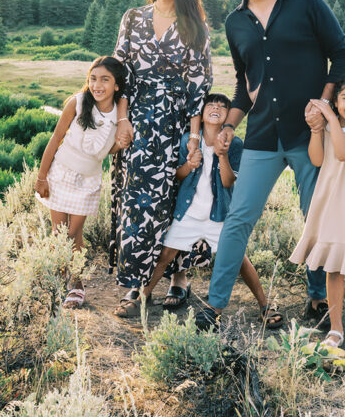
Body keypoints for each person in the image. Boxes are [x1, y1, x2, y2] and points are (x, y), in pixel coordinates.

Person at [199, 0, 345, 330]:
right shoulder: (235, 22)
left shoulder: (307, 5)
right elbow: (243, 83)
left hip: (310, 137)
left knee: (314, 216)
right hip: (263, 137)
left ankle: (318, 299)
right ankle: (215, 307)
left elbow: (342, 54)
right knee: (237, 220)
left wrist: (322, 105)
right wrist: (230, 125)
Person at [115, 93, 285, 328]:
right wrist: (189, 165)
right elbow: (177, 176)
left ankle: (265, 305)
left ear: (228, 117)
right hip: (190, 213)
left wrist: (222, 155)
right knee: (165, 256)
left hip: (219, 215)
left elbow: (228, 182)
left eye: (222, 106)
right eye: (211, 105)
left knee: (240, 259)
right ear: (202, 114)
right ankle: (142, 299)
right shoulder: (188, 140)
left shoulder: (234, 145)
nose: (216, 108)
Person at [110, 0, 213, 311]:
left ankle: (178, 277)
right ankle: (136, 282)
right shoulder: (133, 18)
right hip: (138, 123)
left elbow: (199, 87)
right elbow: (120, 73)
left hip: (175, 124)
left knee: (177, 200)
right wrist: (122, 120)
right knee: (139, 205)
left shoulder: (194, 25)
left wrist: (195, 138)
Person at [290, 74, 345, 351]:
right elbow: (318, 159)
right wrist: (317, 130)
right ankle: (336, 328)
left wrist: (329, 115)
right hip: (329, 203)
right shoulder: (328, 127)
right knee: (333, 268)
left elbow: (343, 153)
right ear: (338, 99)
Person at [33, 55, 130, 308]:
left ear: (117, 85)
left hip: (88, 180)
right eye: (93, 78)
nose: (98, 85)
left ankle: (73, 280)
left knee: (75, 234)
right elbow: (55, 139)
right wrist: (41, 177)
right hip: (61, 173)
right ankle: (66, 282)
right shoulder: (77, 103)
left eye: (105, 80)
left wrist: (119, 145)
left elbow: (104, 149)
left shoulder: (120, 112)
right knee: (58, 232)